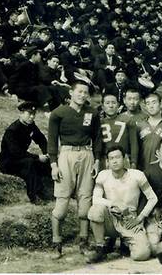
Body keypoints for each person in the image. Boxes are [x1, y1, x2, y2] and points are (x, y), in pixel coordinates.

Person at [48, 80, 101, 257]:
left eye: (85, 92)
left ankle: (84, 242)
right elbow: (52, 141)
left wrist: (97, 161)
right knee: (62, 201)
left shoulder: (92, 113)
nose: (82, 95)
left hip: (87, 154)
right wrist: (54, 164)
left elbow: (98, 139)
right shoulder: (58, 113)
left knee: (85, 200)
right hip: (66, 155)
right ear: (71, 92)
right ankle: (56, 242)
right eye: (79, 91)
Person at [86, 144, 158, 263]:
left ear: (125, 159)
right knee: (95, 211)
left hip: (129, 219)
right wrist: (114, 203)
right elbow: (96, 199)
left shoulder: (137, 175)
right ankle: (100, 248)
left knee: (142, 254)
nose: (115, 161)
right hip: (111, 216)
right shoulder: (103, 175)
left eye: (118, 157)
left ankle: (127, 242)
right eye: (111, 158)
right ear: (107, 162)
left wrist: (140, 218)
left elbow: (153, 198)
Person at [0, 102, 52, 204]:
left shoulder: (31, 126)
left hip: (21, 159)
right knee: (30, 163)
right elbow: (16, 152)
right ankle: (33, 196)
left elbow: (41, 140)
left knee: (46, 163)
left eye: (34, 114)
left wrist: (47, 153)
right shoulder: (12, 130)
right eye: (29, 113)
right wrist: (37, 157)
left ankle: (49, 191)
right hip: (8, 162)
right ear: (21, 113)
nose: (32, 116)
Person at [98, 92, 139, 169]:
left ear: (118, 105)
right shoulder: (99, 123)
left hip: (124, 158)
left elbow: (134, 143)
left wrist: (134, 162)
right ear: (102, 106)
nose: (111, 106)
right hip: (106, 160)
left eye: (113, 103)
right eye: (107, 103)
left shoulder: (127, 120)